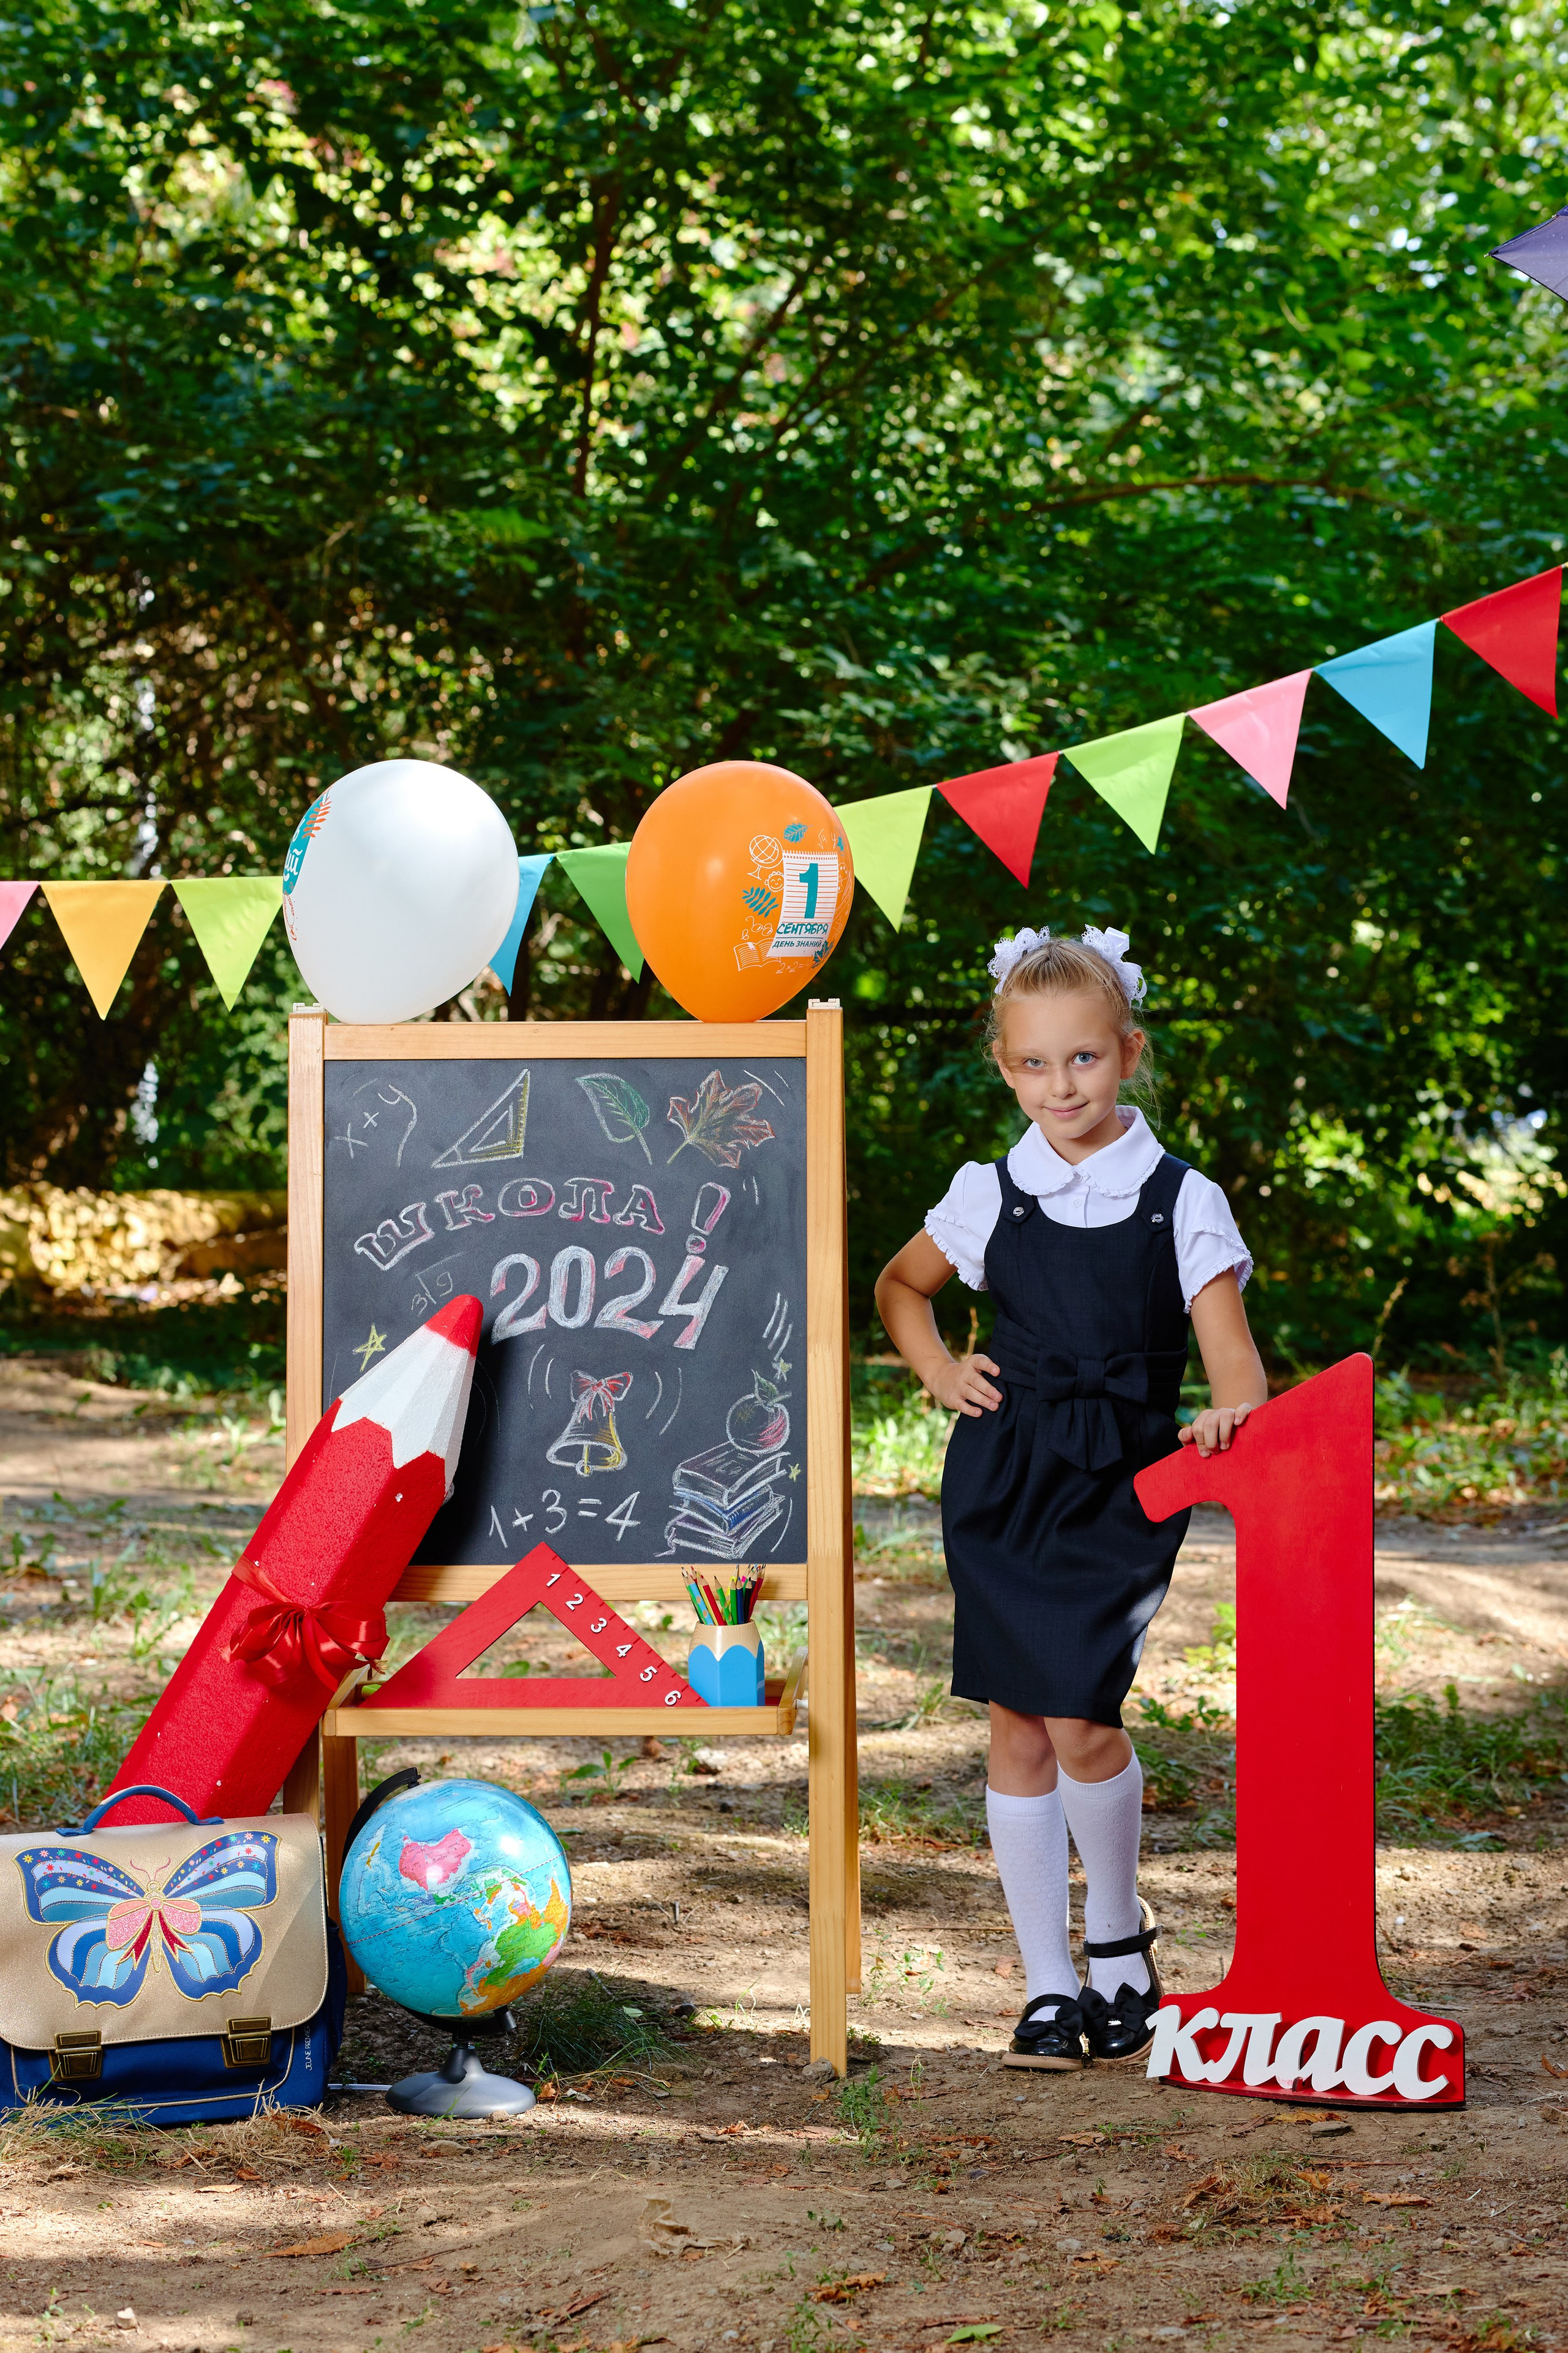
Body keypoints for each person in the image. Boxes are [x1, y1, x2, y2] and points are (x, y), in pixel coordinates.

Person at [873, 924, 1267, 2071]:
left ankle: (1118, 1944)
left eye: (1085, 1059)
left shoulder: (1182, 1200)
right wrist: (941, 1367)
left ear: (1129, 1052)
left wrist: (1224, 1413)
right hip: (1004, 1472)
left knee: (1085, 1719)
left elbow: (1235, 1362)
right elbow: (901, 1286)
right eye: (1036, 1064)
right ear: (1006, 1066)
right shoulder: (991, 1192)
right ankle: (1050, 1984)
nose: (1062, 1086)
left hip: (1121, 1482)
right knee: (1014, 1721)